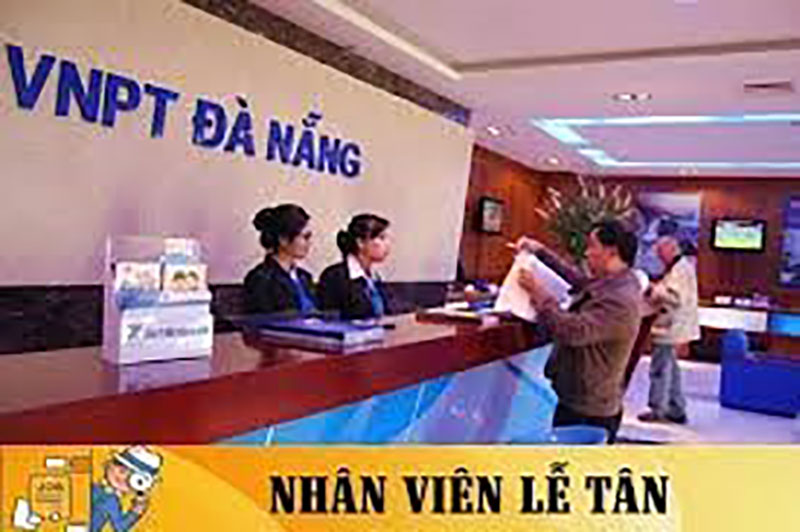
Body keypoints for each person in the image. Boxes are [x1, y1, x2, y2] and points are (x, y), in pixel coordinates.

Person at [516, 220, 643, 443]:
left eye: (592, 246)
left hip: (589, 411)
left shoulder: (619, 299)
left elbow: (572, 331)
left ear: (611, 252)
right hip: (580, 400)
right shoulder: (613, 282)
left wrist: (538, 293)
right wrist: (540, 252)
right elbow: (577, 280)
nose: (586, 253)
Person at [638, 235, 700, 424]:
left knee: (660, 369)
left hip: (671, 328)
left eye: (660, 253)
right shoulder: (679, 267)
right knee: (670, 369)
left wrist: (653, 289)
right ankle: (676, 408)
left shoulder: (680, 269)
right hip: (672, 326)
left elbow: (675, 298)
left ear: (670, 250)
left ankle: (658, 409)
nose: (659, 257)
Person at [243, 204, 317, 315]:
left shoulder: (305, 277)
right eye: (305, 237)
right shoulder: (261, 279)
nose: (309, 243)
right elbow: (263, 320)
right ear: (283, 239)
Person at [318, 214, 393, 319]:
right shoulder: (335, 276)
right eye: (381, 238)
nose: (388, 244)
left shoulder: (374, 277)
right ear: (360, 242)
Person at [90, 446, 162, 532]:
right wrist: (135, 512)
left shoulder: (101, 492)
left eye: (131, 479)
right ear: (111, 465)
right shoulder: (110, 499)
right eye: (122, 471)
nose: (123, 478)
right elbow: (120, 527)